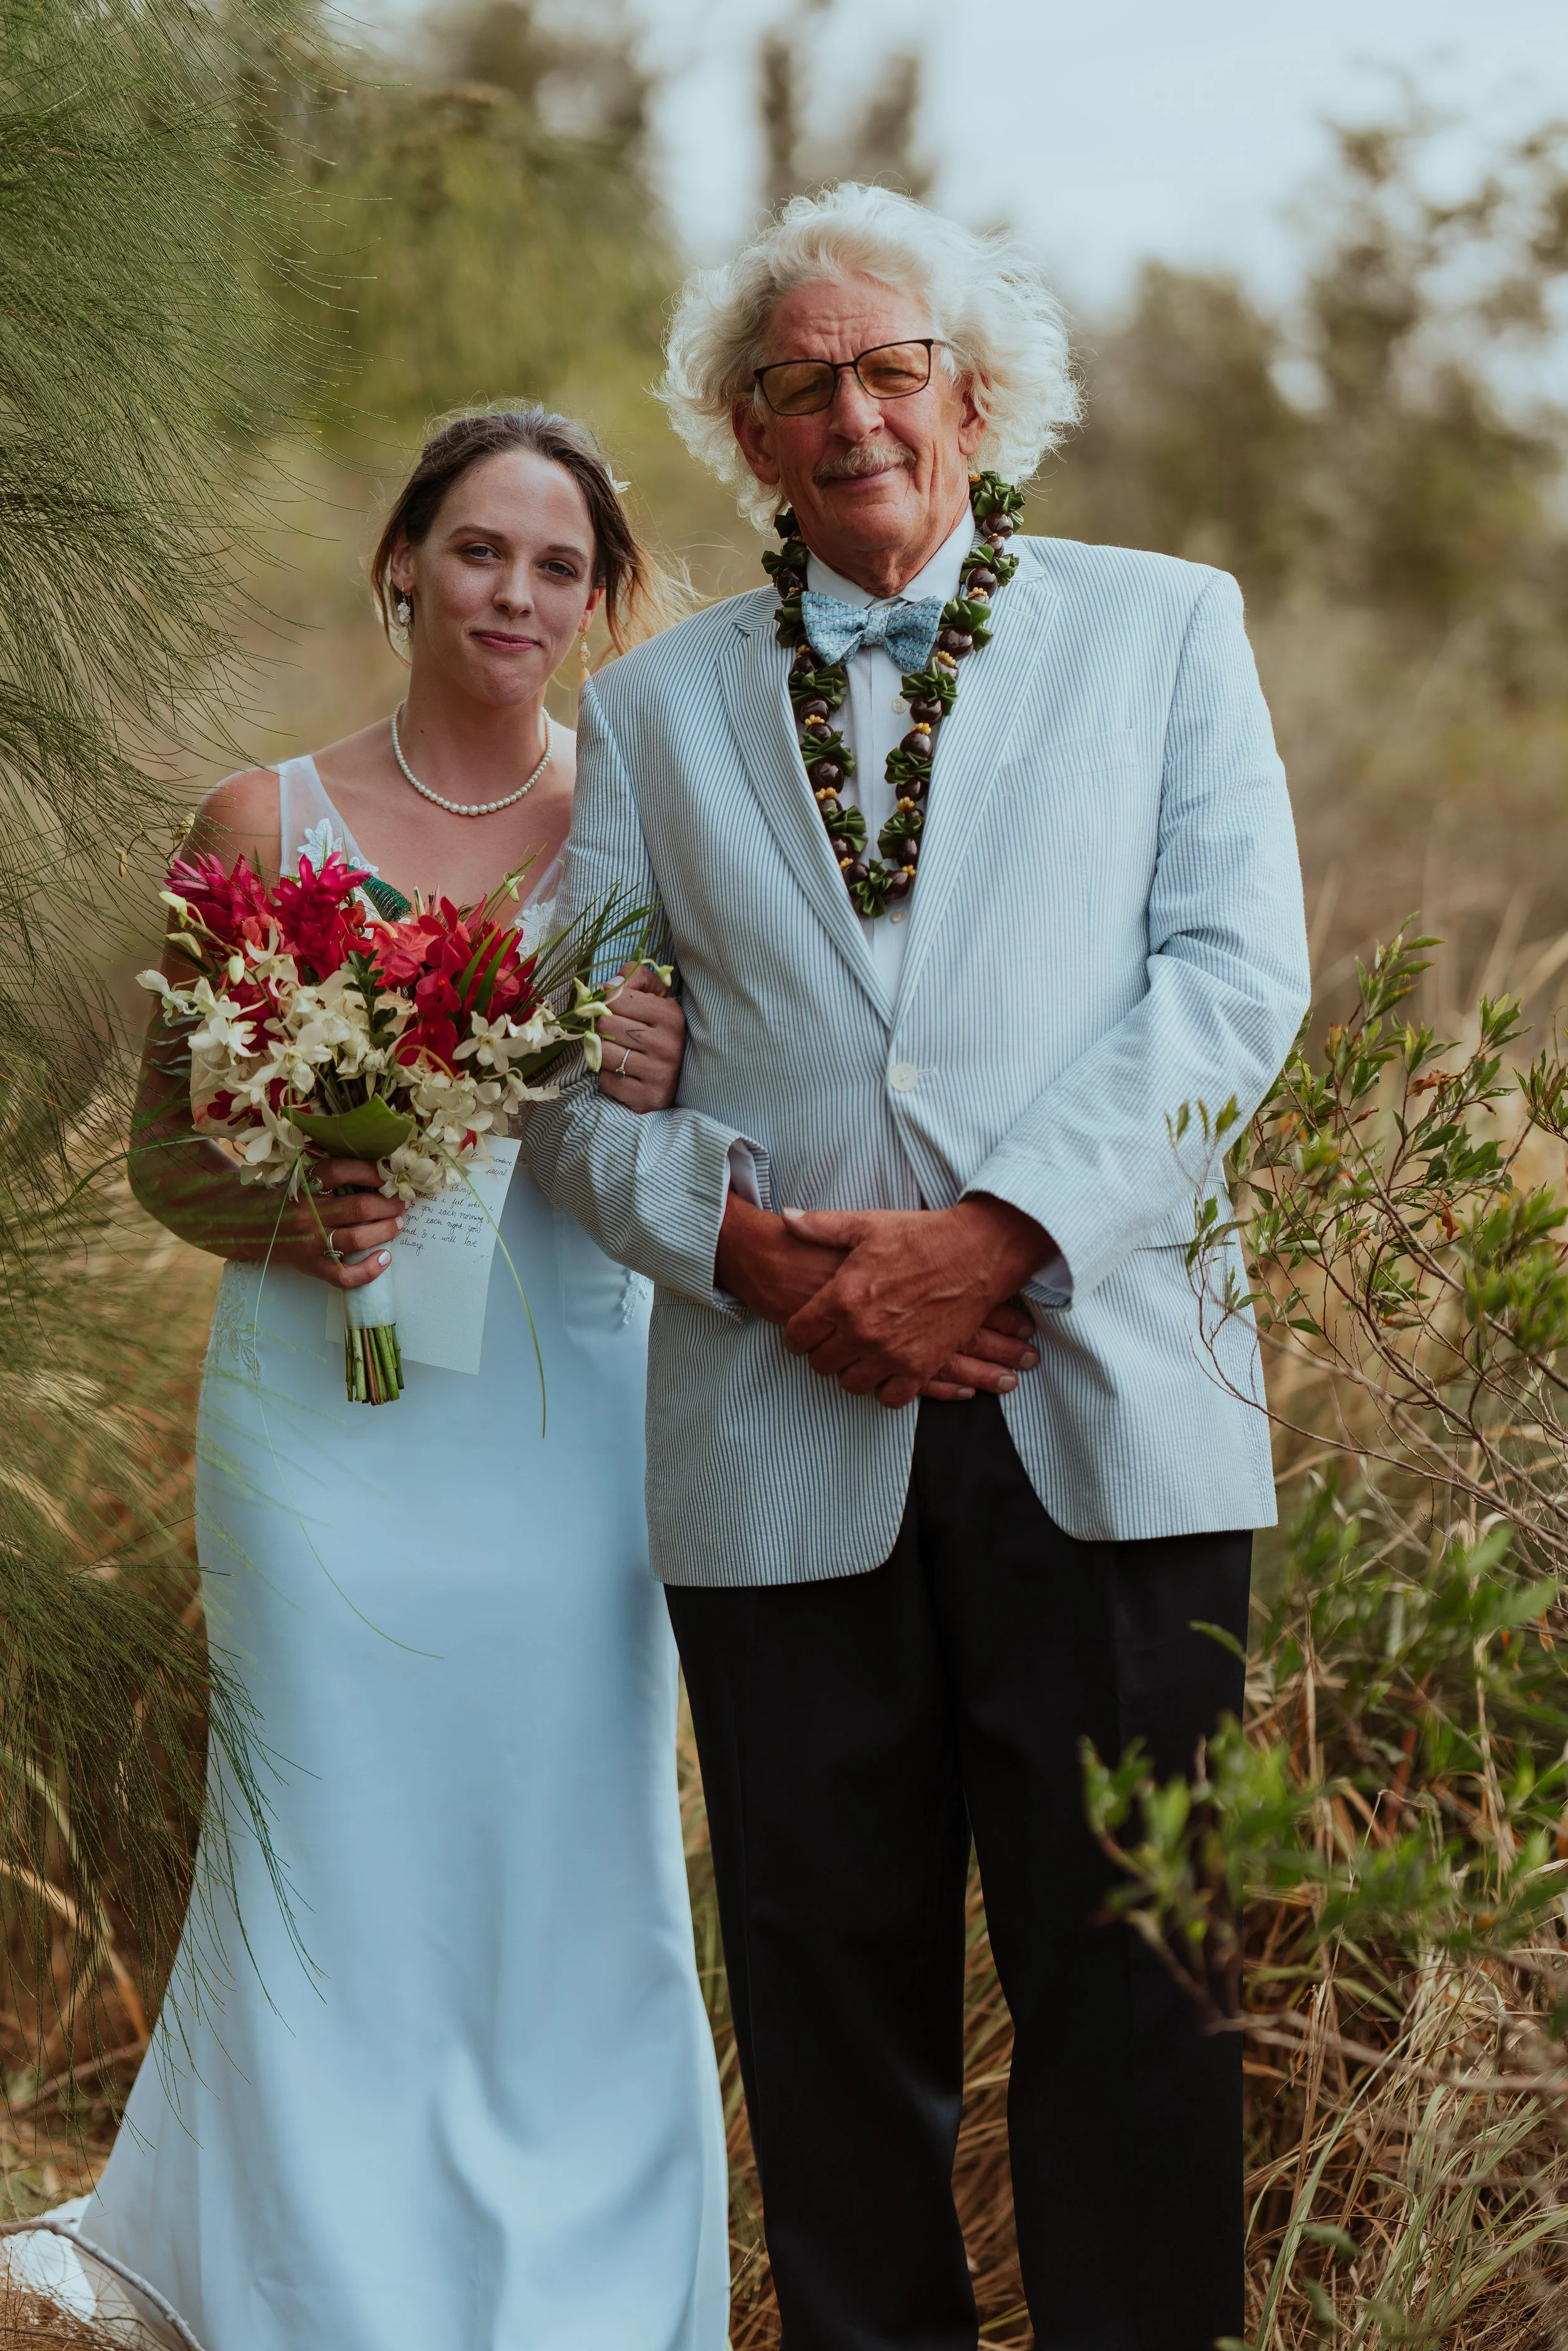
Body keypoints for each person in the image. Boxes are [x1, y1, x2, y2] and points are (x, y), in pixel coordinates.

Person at [516, 186, 1311, 2351]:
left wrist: (988, 1240)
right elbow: (565, 1076)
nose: (850, 413)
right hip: (780, 1434)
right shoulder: (658, 706)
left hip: (1108, 1409)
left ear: (974, 391)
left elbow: (1235, 984)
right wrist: (760, 1262)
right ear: (749, 438)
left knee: (1138, 1987)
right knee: (825, 1988)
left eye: (886, 368)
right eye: (796, 387)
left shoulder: (1162, 627)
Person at [80, 408, 730, 2351]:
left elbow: (719, 1115)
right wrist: (308, 1207)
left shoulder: (638, 826)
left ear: (598, 598)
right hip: (318, 1426)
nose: (512, 592)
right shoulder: (260, 823)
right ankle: (325, 2287)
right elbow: (162, 1153)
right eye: (476, 550)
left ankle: (587, 2291)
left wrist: (657, 1067)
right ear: (402, 563)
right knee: (331, 1827)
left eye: (554, 564)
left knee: (570, 1833)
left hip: (561, 1421)